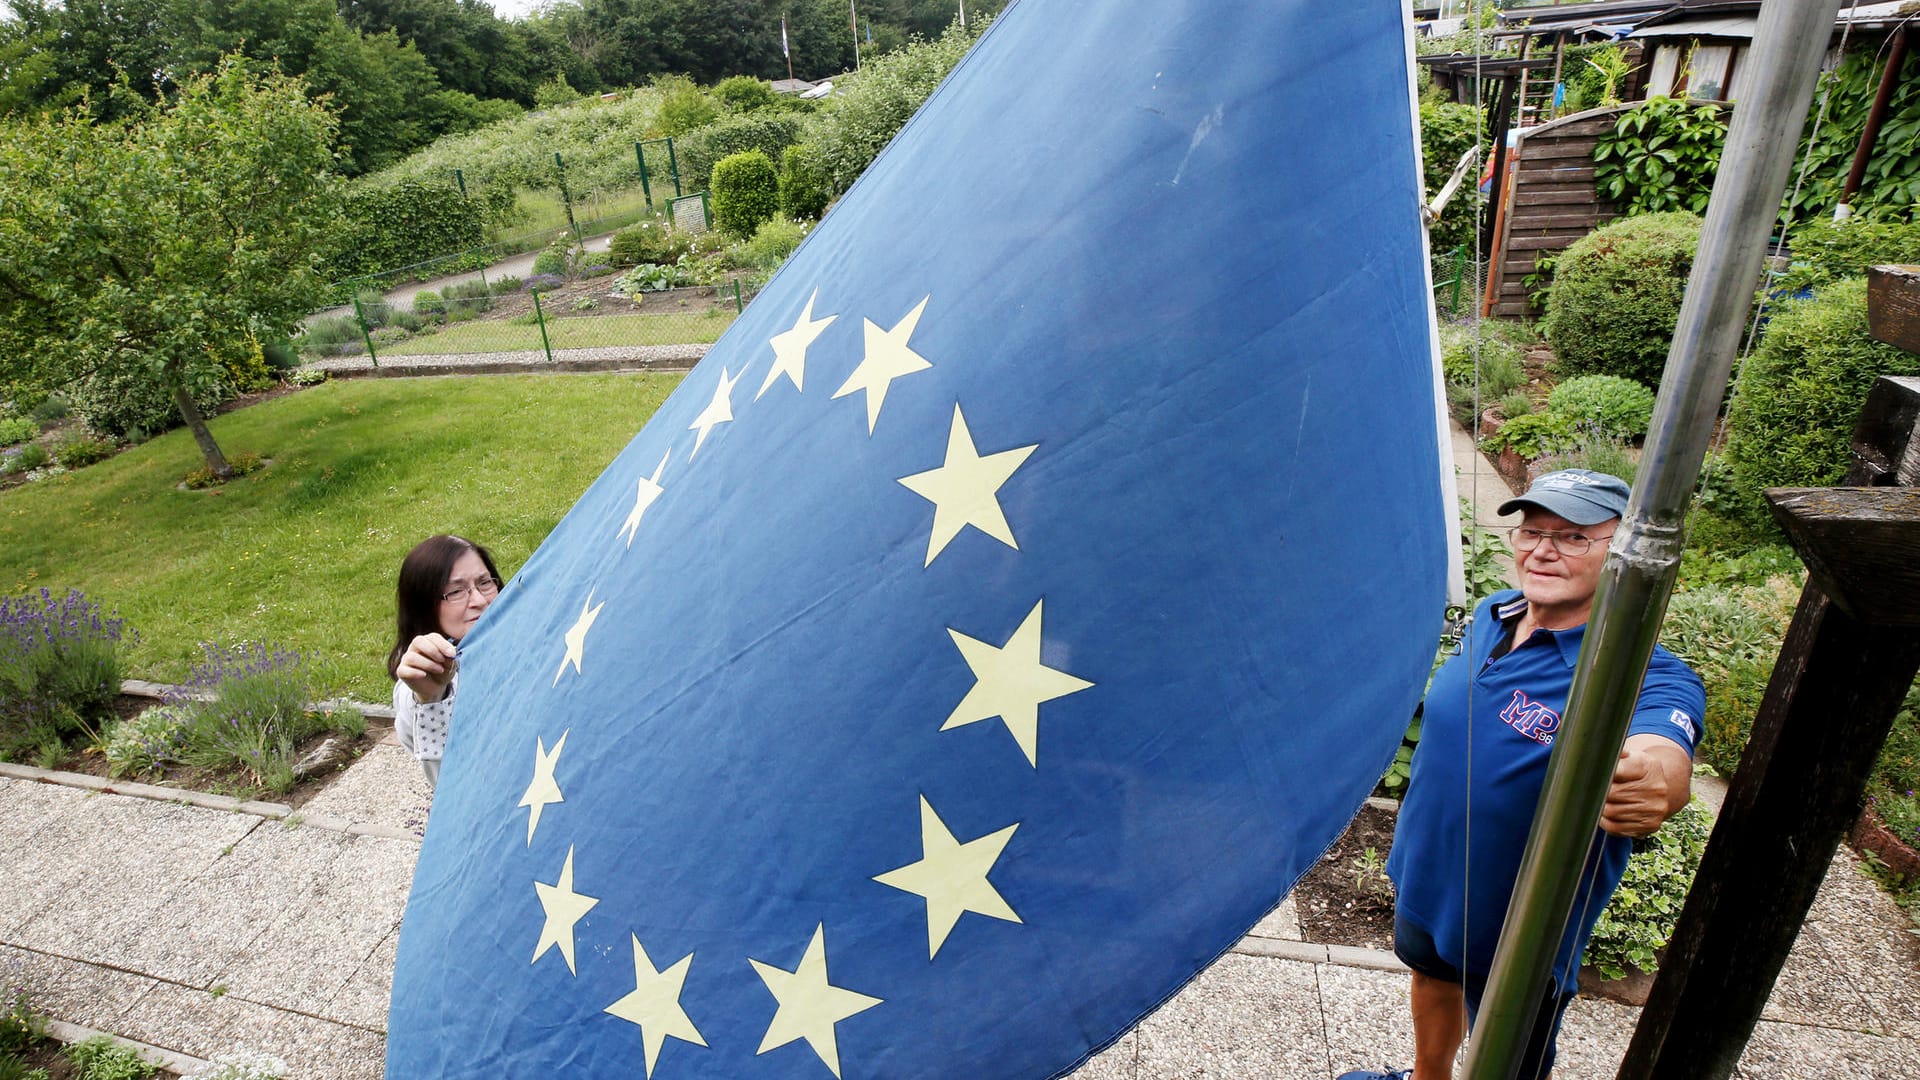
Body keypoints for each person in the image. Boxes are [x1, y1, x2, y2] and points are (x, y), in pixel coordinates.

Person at [1340, 470, 1705, 1080]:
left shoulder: (1638, 671)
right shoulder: (1493, 615)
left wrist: (1652, 782)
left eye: (1573, 537)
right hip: (1429, 874)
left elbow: (1663, 754)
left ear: (1620, 557)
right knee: (1432, 974)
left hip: (1521, 924)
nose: (1542, 549)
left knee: (1511, 1054)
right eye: (1533, 531)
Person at [388, 534, 504, 787]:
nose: (479, 601)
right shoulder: (417, 683)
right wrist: (432, 699)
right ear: (424, 604)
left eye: (485, 582)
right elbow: (449, 782)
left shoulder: (520, 640)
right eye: (455, 591)